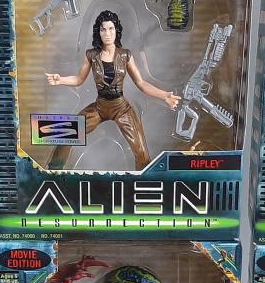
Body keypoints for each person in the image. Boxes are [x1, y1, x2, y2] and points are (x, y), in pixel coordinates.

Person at [44, 10, 179, 170]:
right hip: (99, 107)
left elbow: (141, 83)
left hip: (121, 108)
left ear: (116, 30)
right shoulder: (91, 55)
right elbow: (79, 79)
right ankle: (53, 171)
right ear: (98, 32)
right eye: (103, 29)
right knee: (66, 133)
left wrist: (164, 95)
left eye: (111, 29)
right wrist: (60, 80)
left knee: (141, 152)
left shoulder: (125, 55)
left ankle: (144, 179)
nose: (107, 34)